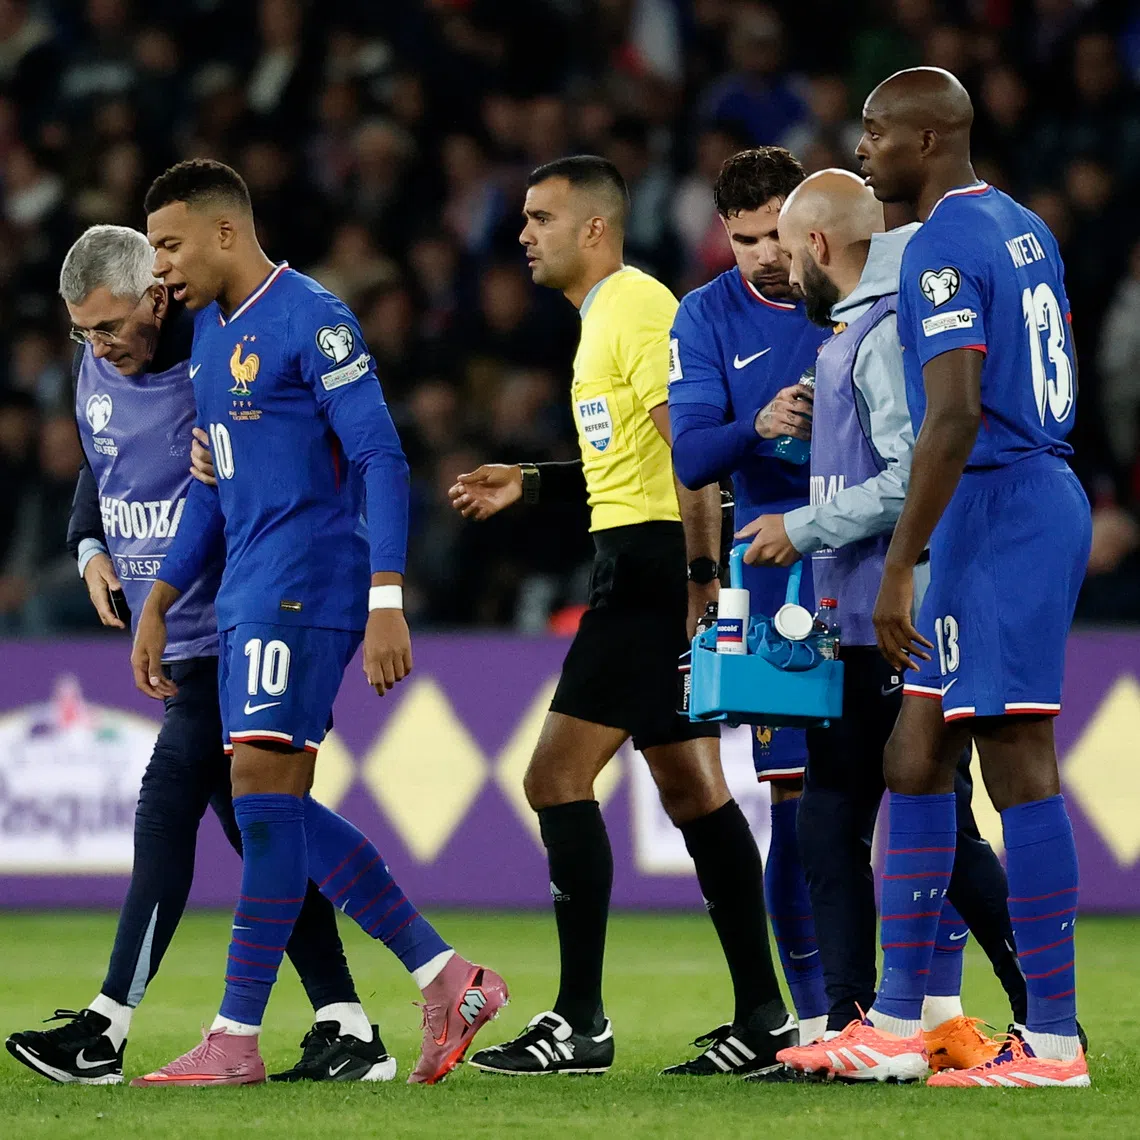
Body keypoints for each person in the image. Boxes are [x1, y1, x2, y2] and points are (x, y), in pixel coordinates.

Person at [128, 160, 507, 1088]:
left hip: (307, 586)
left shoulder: (313, 317)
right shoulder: (211, 339)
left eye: (169, 246)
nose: (160, 269)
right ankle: (445, 975)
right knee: (274, 806)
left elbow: (381, 454)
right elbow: (215, 496)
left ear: (225, 232)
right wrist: (163, 596)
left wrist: (387, 598)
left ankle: (236, 1036)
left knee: (260, 801)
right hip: (250, 588)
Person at [6, 225, 393, 1087]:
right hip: (179, 633)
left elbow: (317, 458)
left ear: (155, 295)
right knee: (261, 829)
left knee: (168, 802)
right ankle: (352, 1022)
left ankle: (105, 1027)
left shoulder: (219, 349)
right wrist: (86, 549)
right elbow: (98, 467)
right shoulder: (100, 367)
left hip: (243, 623)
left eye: (106, 327)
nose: (95, 346)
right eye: (81, 333)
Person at [449, 156, 799, 1078]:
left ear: (593, 228)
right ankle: (766, 1017)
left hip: (652, 575)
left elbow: (694, 456)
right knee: (692, 790)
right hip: (638, 559)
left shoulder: (637, 309)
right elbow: (637, 460)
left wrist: (696, 586)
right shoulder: (604, 318)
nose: (523, 234)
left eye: (540, 217)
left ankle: (579, 1022)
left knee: (554, 777)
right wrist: (529, 481)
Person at [783, 68, 1092, 1088]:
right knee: (915, 758)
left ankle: (1052, 1040)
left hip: (1002, 507)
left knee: (1014, 758)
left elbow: (953, 416)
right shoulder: (1018, 225)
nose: (861, 151)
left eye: (873, 134)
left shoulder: (943, 251)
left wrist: (899, 566)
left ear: (924, 140)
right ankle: (901, 1024)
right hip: (993, 504)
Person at [738, 170, 1028, 1070]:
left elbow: (913, 475)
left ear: (821, 247)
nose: (781, 271)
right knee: (831, 815)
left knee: (936, 814)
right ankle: (851, 1019)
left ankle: (1042, 1009)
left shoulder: (888, 326)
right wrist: (795, 436)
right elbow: (870, 455)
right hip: (850, 616)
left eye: (786, 252)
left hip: (901, 612)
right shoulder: (855, 330)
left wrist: (803, 524)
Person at [667, 146, 830, 1048]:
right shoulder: (704, 316)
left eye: (776, 235)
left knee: (921, 789)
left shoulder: (864, 290)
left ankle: (931, 1014)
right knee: (794, 810)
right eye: (744, 239)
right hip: (773, 588)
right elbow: (690, 459)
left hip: (875, 565)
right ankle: (808, 1025)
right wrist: (755, 423)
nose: (764, 256)